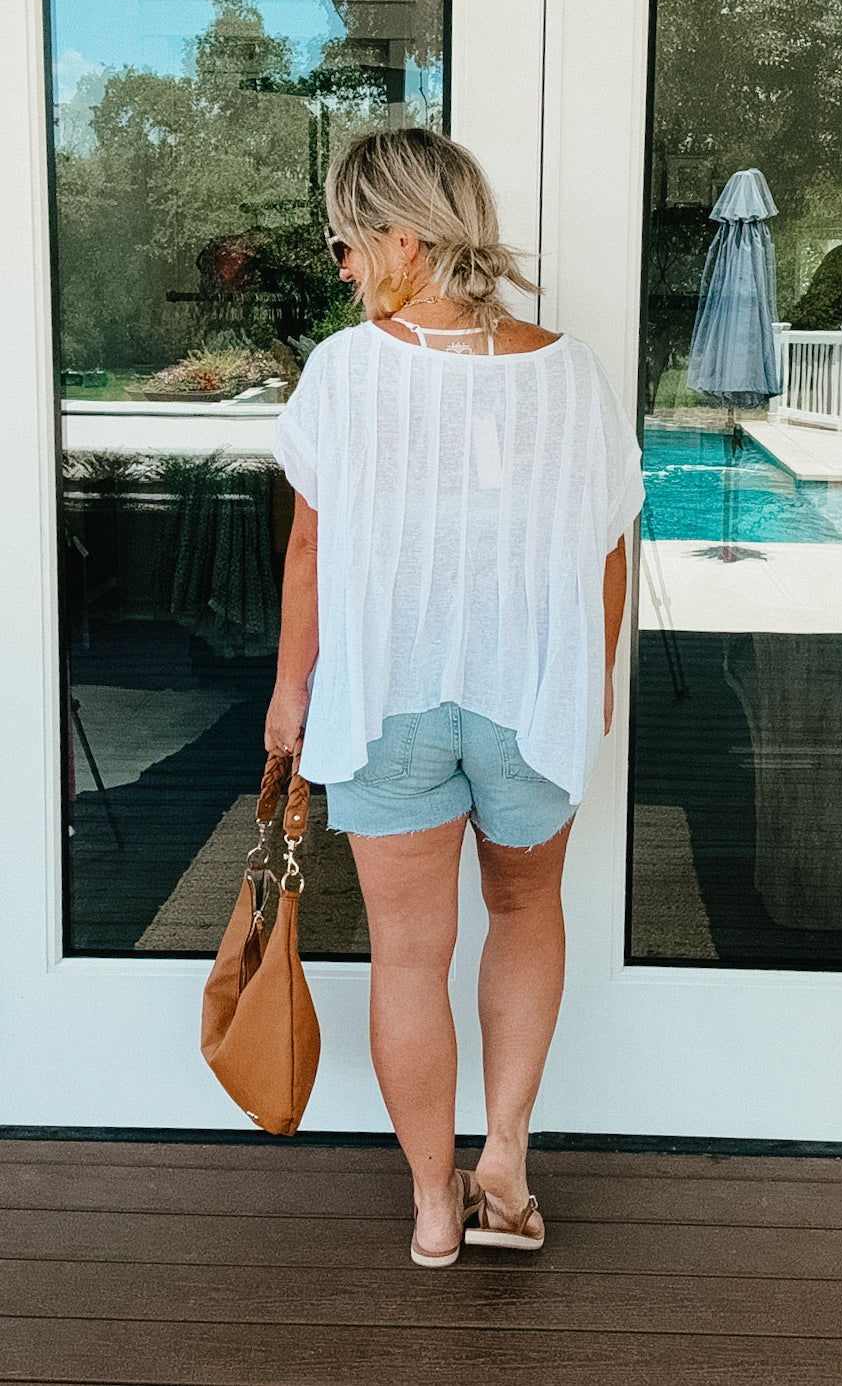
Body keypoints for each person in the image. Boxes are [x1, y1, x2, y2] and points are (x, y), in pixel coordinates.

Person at [265, 128, 643, 1267]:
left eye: (345, 240)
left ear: (403, 238)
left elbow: (308, 551)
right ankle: (505, 1172)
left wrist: (290, 692)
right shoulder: (568, 369)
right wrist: (596, 676)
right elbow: (609, 541)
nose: (339, 264)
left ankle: (436, 1206)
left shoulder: (345, 369)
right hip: (529, 690)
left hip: (388, 693)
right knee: (526, 912)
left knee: (407, 955)